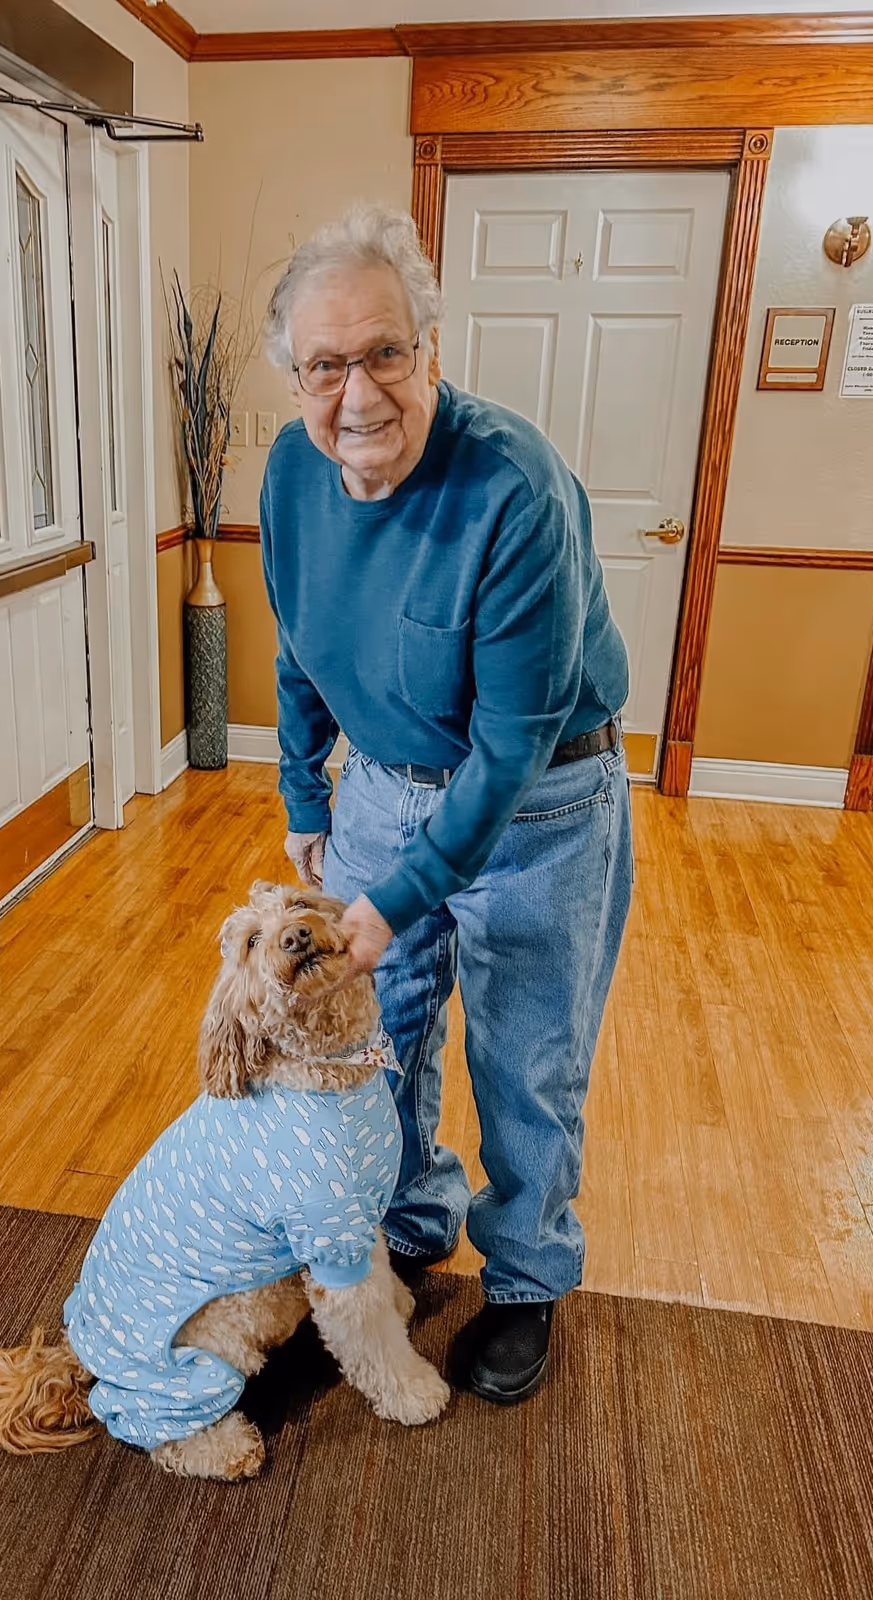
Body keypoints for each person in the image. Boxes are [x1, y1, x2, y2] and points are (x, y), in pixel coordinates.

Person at [258, 203, 633, 1405]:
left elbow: (514, 740)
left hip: (539, 808)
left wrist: (404, 893)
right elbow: (298, 641)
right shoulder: (290, 473)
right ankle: (413, 1224)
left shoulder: (515, 486)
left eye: (385, 353)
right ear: (295, 375)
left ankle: (525, 1278)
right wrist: (303, 786)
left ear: (432, 348)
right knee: (382, 1043)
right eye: (326, 364)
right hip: (377, 787)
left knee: (527, 1057)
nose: (356, 393)